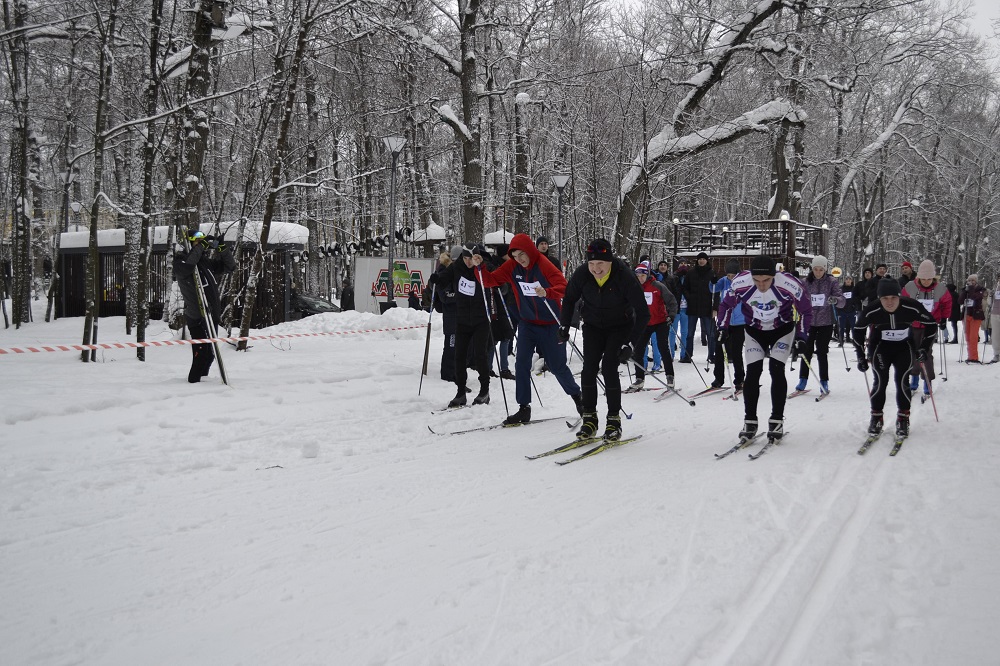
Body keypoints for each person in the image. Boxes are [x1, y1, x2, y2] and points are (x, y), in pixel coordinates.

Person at [472, 234, 582, 424]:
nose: (520, 259)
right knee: (521, 364)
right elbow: (489, 281)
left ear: (530, 251)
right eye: (515, 256)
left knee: (557, 367)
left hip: (551, 324)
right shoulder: (513, 266)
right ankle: (524, 408)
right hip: (528, 324)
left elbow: (565, 287)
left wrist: (548, 292)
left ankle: (579, 399)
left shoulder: (544, 264)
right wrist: (480, 267)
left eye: (522, 254)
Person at [560, 239, 649, 440]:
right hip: (593, 326)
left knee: (609, 367)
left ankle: (613, 421)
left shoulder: (624, 276)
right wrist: (564, 324)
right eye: (591, 264)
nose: (596, 269)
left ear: (610, 261)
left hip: (620, 326)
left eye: (600, 263)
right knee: (589, 368)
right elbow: (569, 299)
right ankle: (590, 419)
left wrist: (631, 343)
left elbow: (643, 313)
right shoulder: (582, 274)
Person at [716, 255, 811, 441]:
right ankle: (749, 420)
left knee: (776, 369)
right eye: (756, 280)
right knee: (752, 373)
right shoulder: (740, 282)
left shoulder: (789, 284)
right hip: (754, 331)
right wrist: (722, 327)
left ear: (774, 275)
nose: (761, 285)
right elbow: (725, 305)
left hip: (781, 330)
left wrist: (802, 336)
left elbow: (805, 310)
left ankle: (776, 419)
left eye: (766, 280)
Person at [853, 278, 937, 437]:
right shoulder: (872, 310)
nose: (889, 302)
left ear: (900, 296)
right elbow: (858, 331)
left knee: (902, 381)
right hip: (880, 348)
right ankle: (876, 417)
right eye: (884, 298)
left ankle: (903, 418)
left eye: (893, 298)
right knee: (880, 381)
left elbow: (931, 324)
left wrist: (924, 348)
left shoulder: (910, 307)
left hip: (903, 348)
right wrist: (860, 356)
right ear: (879, 298)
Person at [430, 244, 494, 407]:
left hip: (480, 319)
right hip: (463, 318)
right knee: (459, 355)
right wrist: (437, 280)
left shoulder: (482, 267)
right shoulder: (457, 267)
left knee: (480, 355)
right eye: (465, 259)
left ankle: (484, 391)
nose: (468, 263)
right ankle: (460, 392)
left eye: (471, 259)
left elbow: (493, 279)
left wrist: (482, 269)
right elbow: (445, 279)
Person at [172, 229, 237, 383]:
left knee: (209, 355)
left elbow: (230, 266)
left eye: (203, 239)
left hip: (211, 314)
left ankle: (204, 383)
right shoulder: (180, 262)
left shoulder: (204, 262)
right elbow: (188, 266)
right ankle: (193, 384)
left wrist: (222, 247)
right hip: (197, 317)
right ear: (188, 242)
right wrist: (201, 246)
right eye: (197, 240)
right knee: (200, 355)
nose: (201, 243)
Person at [794, 255, 845, 394]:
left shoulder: (831, 281)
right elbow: (798, 297)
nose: (818, 272)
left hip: (825, 322)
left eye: (821, 269)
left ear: (825, 269)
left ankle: (824, 381)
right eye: (815, 269)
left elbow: (842, 300)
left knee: (822, 352)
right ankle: (802, 379)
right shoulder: (805, 282)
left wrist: (834, 299)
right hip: (808, 322)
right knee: (806, 351)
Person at [901, 259, 951, 393]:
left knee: (926, 353)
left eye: (929, 279)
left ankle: (927, 381)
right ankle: (914, 377)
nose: (927, 281)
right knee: (913, 351)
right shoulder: (910, 286)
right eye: (924, 279)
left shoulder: (940, 288)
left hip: (931, 325)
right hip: (914, 324)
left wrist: (944, 318)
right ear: (919, 277)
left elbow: (947, 303)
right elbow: (903, 302)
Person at [629, 263, 677, 391]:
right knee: (638, 350)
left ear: (647, 274)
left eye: (643, 275)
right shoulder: (634, 288)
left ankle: (670, 376)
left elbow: (671, 301)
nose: (640, 278)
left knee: (663, 348)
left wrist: (671, 316)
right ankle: (639, 379)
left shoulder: (658, 286)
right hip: (644, 324)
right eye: (638, 275)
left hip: (661, 321)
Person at [712, 259, 746, 390]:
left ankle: (739, 379)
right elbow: (712, 288)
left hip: (739, 322)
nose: (731, 278)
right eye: (729, 275)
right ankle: (718, 379)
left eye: (733, 275)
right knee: (719, 350)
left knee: (736, 351)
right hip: (724, 322)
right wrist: (713, 281)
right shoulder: (724, 281)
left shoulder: (743, 283)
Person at [427, 251, 458, 382]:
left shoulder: (457, 273)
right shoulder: (444, 273)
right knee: (451, 346)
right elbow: (445, 296)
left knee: (458, 347)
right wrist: (460, 296)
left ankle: (455, 373)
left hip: (459, 316)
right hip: (451, 316)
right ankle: (448, 374)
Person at [684, 251, 717, 363]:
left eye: (703, 259)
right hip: (693, 307)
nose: (701, 261)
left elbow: (716, 291)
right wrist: (690, 297)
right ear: (697, 261)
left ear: (706, 260)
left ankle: (711, 355)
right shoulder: (691, 273)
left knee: (711, 334)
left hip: (707, 308)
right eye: (699, 259)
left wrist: (715, 308)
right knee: (689, 334)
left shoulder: (712, 273)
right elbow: (685, 288)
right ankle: (688, 355)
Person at [959, 274, 987, 363]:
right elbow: (959, 301)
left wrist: (970, 290)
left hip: (976, 315)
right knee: (967, 336)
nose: (971, 282)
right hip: (966, 314)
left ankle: (974, 357)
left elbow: (976, 297)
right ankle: (970, 355)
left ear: (976, 281)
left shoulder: (981, 289)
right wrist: (964, 292)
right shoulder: (965, 289)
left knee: (973, 336)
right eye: (969, 280)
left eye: (973, 280)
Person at [669, 263, 690, 362]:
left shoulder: (689, 277)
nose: (683, 265)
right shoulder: (674, 277)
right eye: (681, 263)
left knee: (684, 332)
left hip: (686, 308)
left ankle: (684, 354)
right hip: (676, 308)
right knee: (672, 332)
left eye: (684, 263)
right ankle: (671, 354)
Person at [835, 275, 861, 346]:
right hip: (842, 311)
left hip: (852, 311)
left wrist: (855, 307)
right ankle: (841, 341)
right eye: (847, 279)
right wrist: (838, 310)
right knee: (842, 327)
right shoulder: (841, 289)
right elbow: (838, 300)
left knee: (853, 327)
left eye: (850, 279)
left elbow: (857, 299)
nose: (848, 280)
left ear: (852, 281)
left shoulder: (854, 289)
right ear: (844, 281)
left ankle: (855, 342)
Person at [988, 275, 1000, 363]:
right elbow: (989, 303)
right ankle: (996, 354)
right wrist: (990, 296)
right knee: (995, 335)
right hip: (995, 313)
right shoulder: (996, 288)